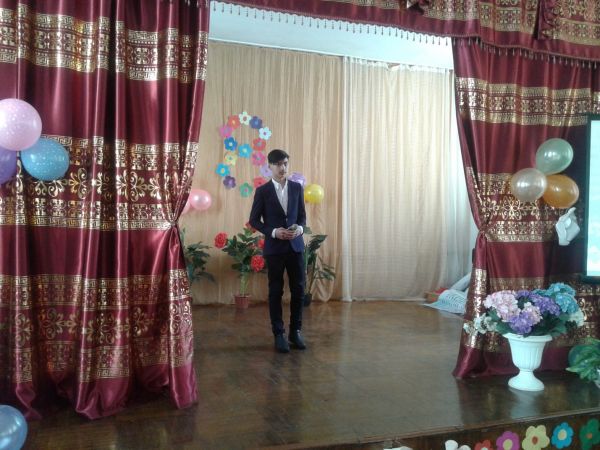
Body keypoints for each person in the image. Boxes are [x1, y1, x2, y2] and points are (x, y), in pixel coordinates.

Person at [249, 149, 307, 353]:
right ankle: (279, 334)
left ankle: (295, 331)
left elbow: (302, 217)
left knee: (299, 290)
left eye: (285, 164)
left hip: (295, 247)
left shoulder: (297, 188)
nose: (283, 168)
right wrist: (274, 232)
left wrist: (299, 229)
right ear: (270, 166)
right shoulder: (263, 191)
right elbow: (254, 220)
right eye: (279, 164)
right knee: (275, 291)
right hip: (274, 249)